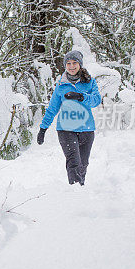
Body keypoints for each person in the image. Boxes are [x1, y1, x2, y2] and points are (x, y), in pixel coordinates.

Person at [36, 50, 101, 185]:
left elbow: (96, 100)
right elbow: (52, 108)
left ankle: (80, 189)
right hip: (66, 129)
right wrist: (43, 129)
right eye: (68, 63)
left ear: (80, 64)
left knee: (83, 164)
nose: (71, 66)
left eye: (74, 63)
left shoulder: (89, 82)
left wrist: (81, 96)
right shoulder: (61, 85)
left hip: (86, 129)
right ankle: (75, 194)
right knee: (73, 163)